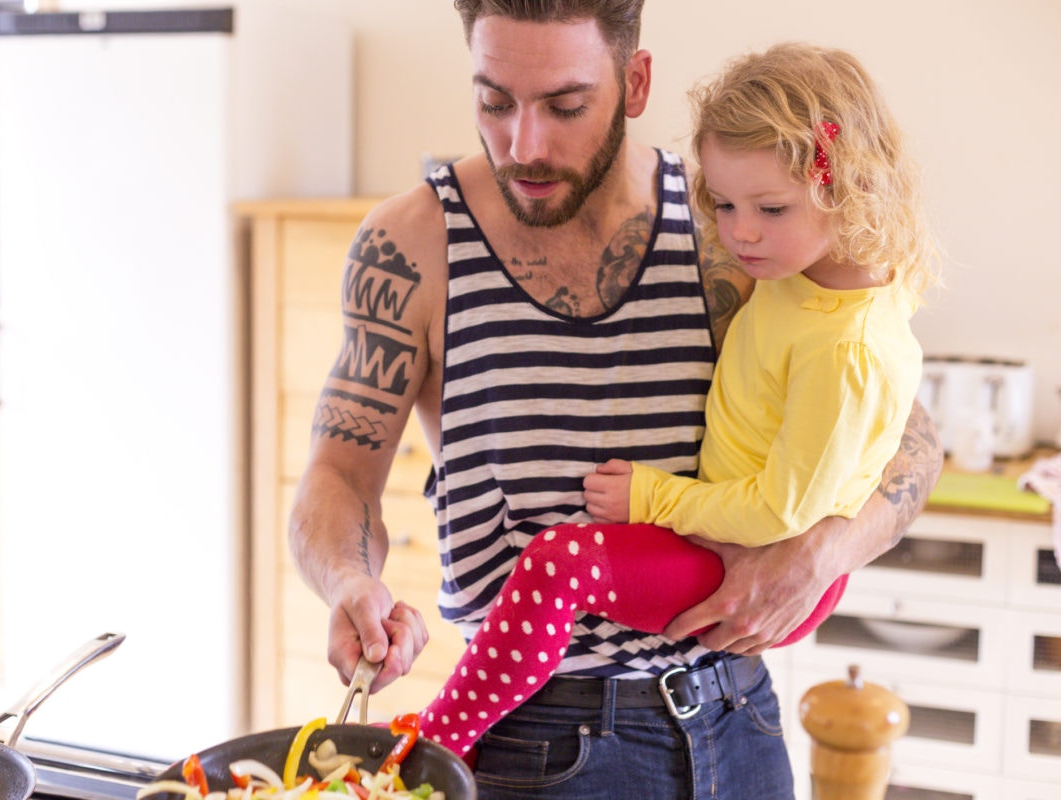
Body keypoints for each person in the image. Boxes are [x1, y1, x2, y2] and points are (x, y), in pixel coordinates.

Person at [287, 2, 943, 798]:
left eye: (566, 106)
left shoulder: (729, 228)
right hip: (534, 741)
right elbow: (340, 476)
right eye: (494, 101)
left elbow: (906, 435)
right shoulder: (415, 245)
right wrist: (350, 583)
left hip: (737, 718)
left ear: (635, 83)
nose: (525, 144)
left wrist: (823, 553)